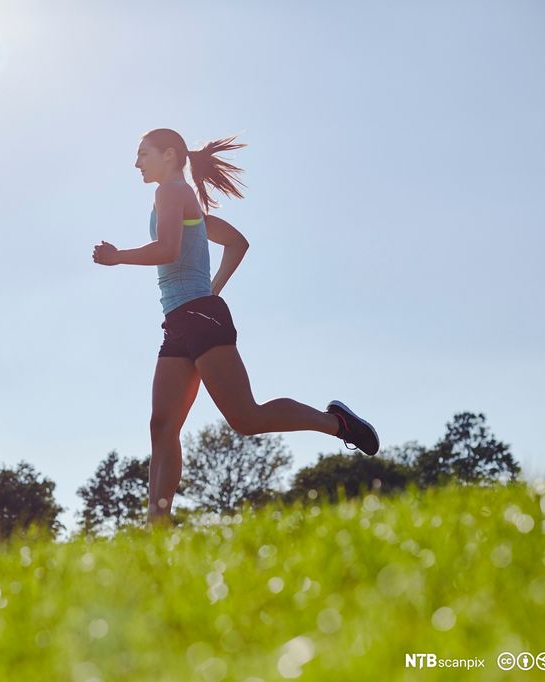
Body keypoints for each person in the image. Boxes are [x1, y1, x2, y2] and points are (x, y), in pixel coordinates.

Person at [92, 128, 379, 527]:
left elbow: (170, 249)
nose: (137, 163)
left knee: (246, 418)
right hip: (180, 320)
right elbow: (237, 242)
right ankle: (155, 532)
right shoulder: (180, 200)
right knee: (162, 424)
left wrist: (117, 257)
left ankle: (337, 423)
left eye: (144, 153)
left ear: (170, 155)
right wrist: (208, 290)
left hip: (200, 318)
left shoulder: (171, 193)